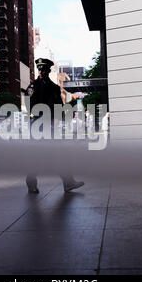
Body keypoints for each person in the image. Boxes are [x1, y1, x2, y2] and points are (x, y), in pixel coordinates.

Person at [24, 58, 85, 194]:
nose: (41, 72)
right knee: (38, 156)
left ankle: (68, 182)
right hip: (38, 127)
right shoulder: (33, 87)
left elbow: (59, 108)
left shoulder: (55, 88)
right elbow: (29, 106)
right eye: (39, 69)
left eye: (44, 70)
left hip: (51, 126)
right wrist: (35, 119)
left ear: (48, 71)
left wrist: (57, 120)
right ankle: (31, 181)